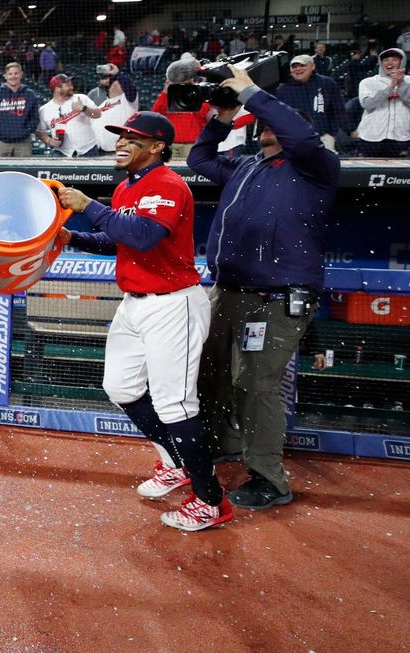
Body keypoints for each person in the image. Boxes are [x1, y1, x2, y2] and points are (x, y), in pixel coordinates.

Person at [55, 111, 232, 531]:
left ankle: (211, 501)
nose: (120, 142)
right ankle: (176, 462)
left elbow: (145, 236)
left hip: (174, 304)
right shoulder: (125, 187)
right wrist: (73, 237)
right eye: (119, 136)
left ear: (156, 147)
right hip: (134, 302)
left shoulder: (168, 184)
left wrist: (88, 206)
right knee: (120, 387)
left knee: (174, 403)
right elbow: (118, 240)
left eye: (132, 138)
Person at [188, 64, 340, 510]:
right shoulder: (248, 165)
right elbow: (199, 159)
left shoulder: (316, 166)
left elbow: (302, 138)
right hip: (230, 289)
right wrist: (221, 116)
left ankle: (269, 477)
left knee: (257, 382)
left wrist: (252, 91)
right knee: (209, 372)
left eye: (277, 122)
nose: (270, 128)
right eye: (264, 123)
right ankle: (225, 444)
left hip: (277, 296)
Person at [276, 54, 345, 151]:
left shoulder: (327, 84)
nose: (298, 69)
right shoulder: (282, 89)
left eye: (302, 65)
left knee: (323, 166)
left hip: (323, 138)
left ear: (312, 66)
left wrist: (331, 133)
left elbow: (339, 110)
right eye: (294, 67)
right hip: (292, 139)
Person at [355, 47, 410, 157]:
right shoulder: (368, 82)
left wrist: (401, 83)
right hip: (371, 137)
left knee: (398, 173)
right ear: (380, 62)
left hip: (401, 136)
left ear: (402, 62)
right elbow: (367, 104)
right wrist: (390, 87)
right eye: (385, 60)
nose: (389, 63)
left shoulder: (408, 81)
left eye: (394, 59)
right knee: (368, 172)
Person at [36, 73, 102, 157]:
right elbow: (40, 131)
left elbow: (98, 114)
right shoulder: (44, 110)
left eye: (71, 84)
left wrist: (84, 108)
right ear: (57, 88)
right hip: (63, 153)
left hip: (88, 150)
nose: (72, 87)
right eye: (68, 85)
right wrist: (49, 140)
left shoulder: (81, 98)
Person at [0, 62, 39, 157]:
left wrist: (25, 132)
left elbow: (35, 118)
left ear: (21, 74)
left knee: (24, 170)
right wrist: (0, 133)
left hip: (23, 143)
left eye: (16, 73)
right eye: (10, 74)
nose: (13, 76)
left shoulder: (30, 94)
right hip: (1, 142)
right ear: (5, 76)